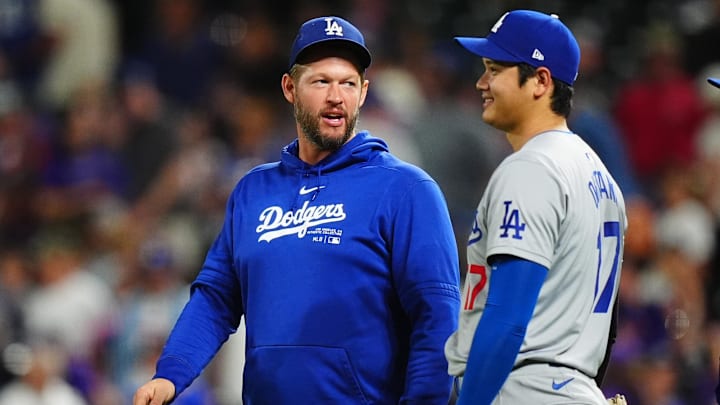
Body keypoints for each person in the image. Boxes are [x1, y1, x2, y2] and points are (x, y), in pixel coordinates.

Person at [133, 15, 461, 405]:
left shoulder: (406, 189)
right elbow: (216, 299)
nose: (336, 96)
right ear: (290, 88)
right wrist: (171, 374)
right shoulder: (253, 190)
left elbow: (437, 317)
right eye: (321, 81)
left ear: (364, 91)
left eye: (348, 83)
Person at [443, 10, 627, 405]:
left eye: (494, 69)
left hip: (525, 387)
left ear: (540, 81)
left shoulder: (533, 167)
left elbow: (508, 319)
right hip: (575, 387)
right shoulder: (601, 178)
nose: (481, 82)